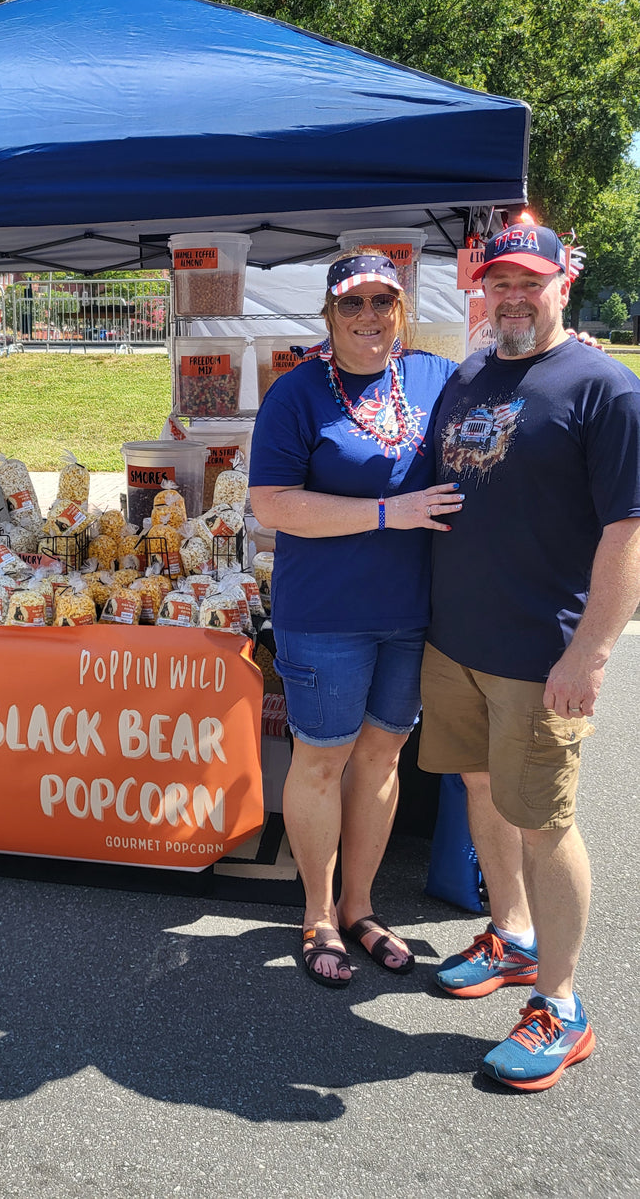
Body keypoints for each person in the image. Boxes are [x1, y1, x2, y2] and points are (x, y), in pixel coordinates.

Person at [420, 220, 640, 1090]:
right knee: (483, 790)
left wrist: (591, 653)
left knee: (547, 822)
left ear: (562, 286)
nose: (512, 295)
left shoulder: (603, 387)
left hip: (541, 654)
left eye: (529, 282)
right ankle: (508, 934)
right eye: (498, 282)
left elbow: (628, 531)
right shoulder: (471, 375)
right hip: (458, 643)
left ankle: (563, 1002)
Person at [249, 252, 463, 987]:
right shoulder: (298, 394)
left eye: (383, 301)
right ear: (328, 316)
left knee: (380, 759)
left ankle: (361, 905)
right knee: (322, 759)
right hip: (326, 617)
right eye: (352, 304)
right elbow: (271, 503)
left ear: (402, 308)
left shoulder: (437, 378)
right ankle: (316, 914)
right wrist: (385, 512)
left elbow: (507, 410)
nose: (368, 316)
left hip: (411, 614)